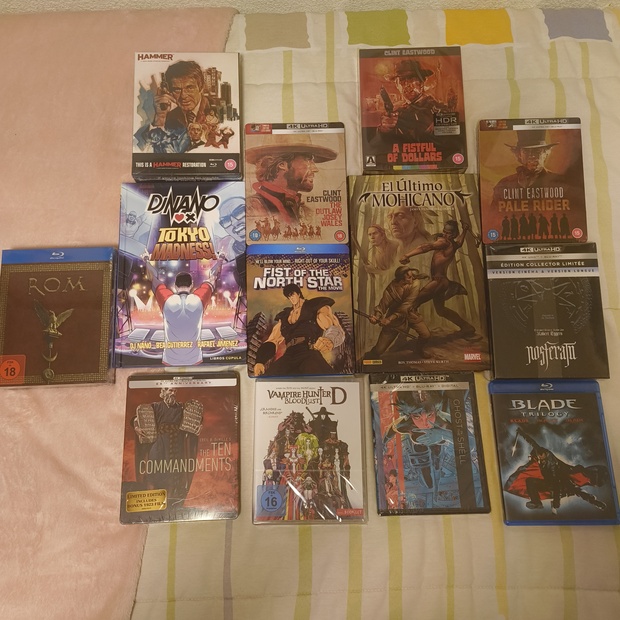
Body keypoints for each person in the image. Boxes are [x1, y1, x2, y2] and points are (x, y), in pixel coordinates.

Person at [505, 427, 608, 515]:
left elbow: (576, 490)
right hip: (549, 483)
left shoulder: (554, 463)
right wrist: (521, 433)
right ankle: (537, 502)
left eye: (542, 456)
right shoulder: (540, 456)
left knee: (569, 488)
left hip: (560, 483)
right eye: (539, 457)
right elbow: (532, 442)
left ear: (545, 455)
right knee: (530, 481)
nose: (540, 458)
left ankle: (549, 503)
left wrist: (594, 502)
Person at [400, 220, 476, 336]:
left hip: (438, 281)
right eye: (444, 231)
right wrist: (465, 230)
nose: (445, 234)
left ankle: (404, 335)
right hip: (442, 282)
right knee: (440, 310)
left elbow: (426, 247)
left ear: (454, 234)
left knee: (413, 303)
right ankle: (467, 327)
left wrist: (407, 255)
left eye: (448, 233)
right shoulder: (454, 244)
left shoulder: (444, 242)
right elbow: (460, 242)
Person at [253, 283, 345, 376]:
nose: (291, 298)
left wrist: (330, 339)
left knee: (322, 378)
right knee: (269, 378)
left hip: (308, 352)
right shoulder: (284, 316)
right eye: (288, 296)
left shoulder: (315, 306)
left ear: (299, 293)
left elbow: (333, 326)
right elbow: (273, 340)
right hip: (289, 356)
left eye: (292, 294)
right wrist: (260, 361)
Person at [245, 135, 337, 225]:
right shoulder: (250, 208)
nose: (315, 169)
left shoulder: (306, 212)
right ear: (282, 165)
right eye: (308, 160)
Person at [133, 387, 202, 505]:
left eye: (175, 391)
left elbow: (194, 418)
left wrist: (199, 425)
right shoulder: (155, 406)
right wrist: (136, 427)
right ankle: (153, 502)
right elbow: (138, 417)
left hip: (176, 443)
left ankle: (169, 503)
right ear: (163, 392)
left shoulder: (181, 407)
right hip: (159, 442)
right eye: (170, 390)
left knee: (173, 473)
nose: (173, 393)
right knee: (154, 469)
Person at [143, 258, 216, 365]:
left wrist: (146, 261)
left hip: (170, 360)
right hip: (194, 359)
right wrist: (220, 259)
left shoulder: (167, 299)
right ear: (191, 285)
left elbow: (153, 277)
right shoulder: (199, 299)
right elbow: (213, 277)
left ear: (175, 286)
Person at [371, 59, 453, 149]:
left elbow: (446, 144)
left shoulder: (440, 110)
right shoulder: (397, 112)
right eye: (402, 80)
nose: (407, 84)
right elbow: (381, 146)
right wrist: (385, 129)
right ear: (397, 85)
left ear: (421, 82)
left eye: (411, 78)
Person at [135, 60, 211, 151]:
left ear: (201, 87)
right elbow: (144, 149)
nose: (183, 96)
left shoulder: (217, 112)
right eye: (177, 89)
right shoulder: (169, 117)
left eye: (189, 88)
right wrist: (160, 117)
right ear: (169, 91)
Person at [365, 266, 431, 359]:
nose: (412, 279)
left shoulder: (415, 284)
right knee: (379, 350)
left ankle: (418, 350)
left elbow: (407, 305)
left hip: (410, 314)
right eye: (409, 277)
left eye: (412, 276)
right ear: (401, 278)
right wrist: (376, 317)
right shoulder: (391, 289)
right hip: (395, 320)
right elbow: (382, 305)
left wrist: (389, 319)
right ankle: (368, 361)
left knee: (426, 335)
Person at [490, 129, 563, 211]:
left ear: (546, 153)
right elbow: (493, 215)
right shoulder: (504, 185)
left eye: (537, 151)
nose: (531, 156)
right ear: (519, 154)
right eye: (526, 151)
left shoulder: (559, 183)